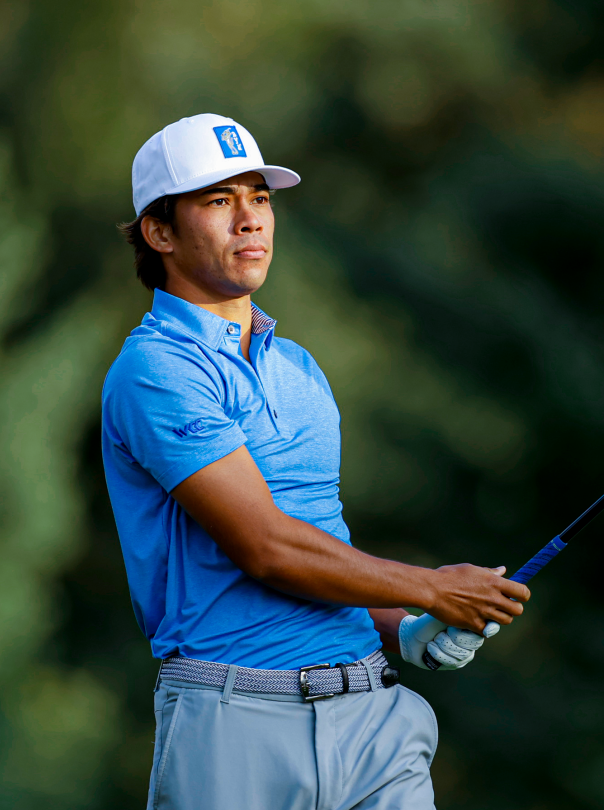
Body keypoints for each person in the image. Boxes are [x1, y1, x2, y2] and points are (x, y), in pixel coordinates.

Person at [101, 113, 530, 810]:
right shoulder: (154, 370)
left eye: (260, 198)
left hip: (371, 718)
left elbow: (320, 544)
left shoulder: (297, 367)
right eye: (218, 201)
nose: (250, 220)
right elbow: (266, 547)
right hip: (235, 726)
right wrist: (431, 589)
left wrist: (402, 626)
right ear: (159, 232)